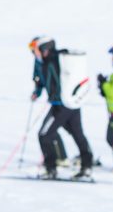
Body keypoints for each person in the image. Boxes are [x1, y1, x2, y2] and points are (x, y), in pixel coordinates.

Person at [30, 36, 94, 180]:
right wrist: (38, 91)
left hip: (60, 106)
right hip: (72, 104)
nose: (34, 51)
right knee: (78, 135)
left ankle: (51, 168)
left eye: (36, 47)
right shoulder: (49, 60)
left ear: (44, 47)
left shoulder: (54, 60)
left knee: (44, 135)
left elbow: (52, 78)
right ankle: (87, 166)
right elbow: (42, 80)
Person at [29, 37, 68, 168]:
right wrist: (37, 92)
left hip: (60, 101)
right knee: (51, 130)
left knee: (47, 132)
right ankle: (60, 157)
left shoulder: (51, 60)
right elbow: (39, 80)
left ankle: (56, 161)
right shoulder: (38, 61)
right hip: (53, 100)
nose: (33, 50)